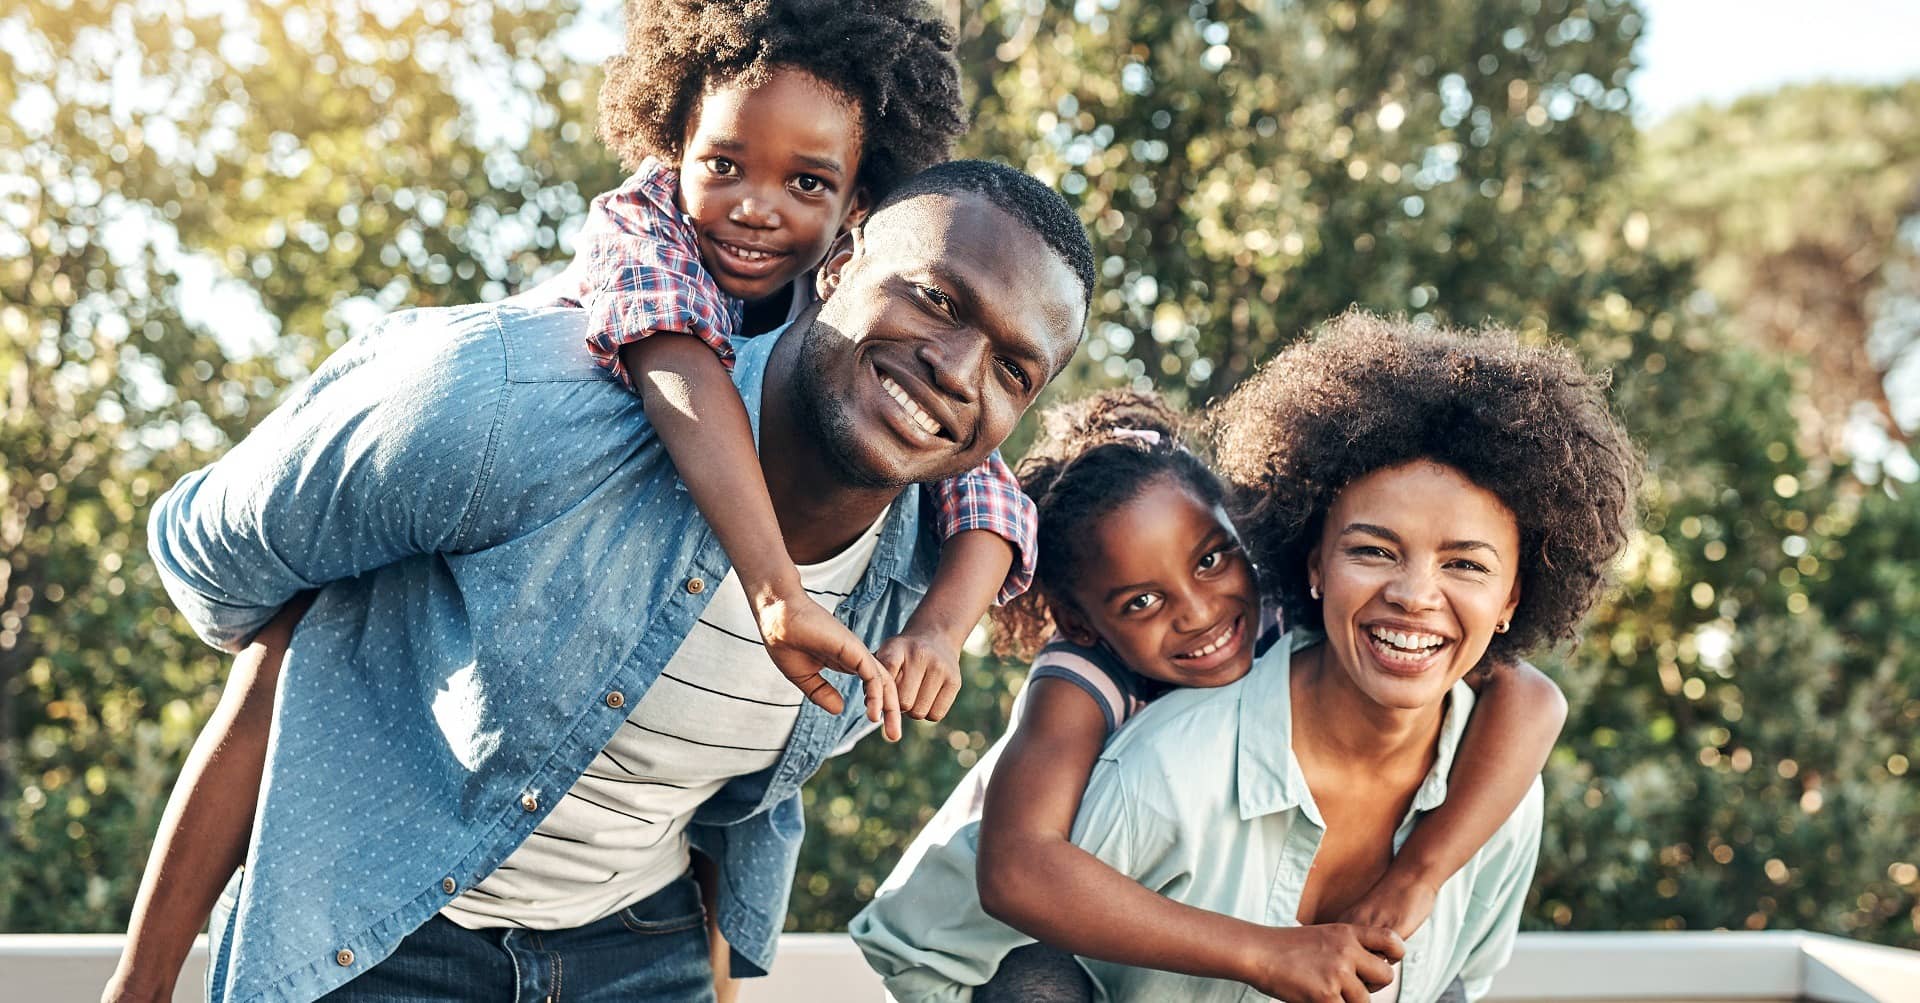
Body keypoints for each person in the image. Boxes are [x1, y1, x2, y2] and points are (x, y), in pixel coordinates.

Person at [111, 159, 1094, 1003]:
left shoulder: (922, 581)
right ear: (838, 260)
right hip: (384, 938)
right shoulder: (515, 408)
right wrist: (141, 986)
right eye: (935, 296)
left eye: (1015, 369)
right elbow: (250, 603)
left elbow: (718, 809)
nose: (961, 371)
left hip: (634, 951)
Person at [852, 310, 1641, 1002]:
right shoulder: (1093, 698)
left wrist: (1415, 878)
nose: (1199, 611)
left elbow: (1534, 697)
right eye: (1140, 601)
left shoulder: (1272, 602)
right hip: (990, 951)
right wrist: (1265, 953)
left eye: (1465, 563)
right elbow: (1017, 872)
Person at [564, 0, 1021, 723]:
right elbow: (678, 364)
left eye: (806, 183)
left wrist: (940, 630)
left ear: (855, 208)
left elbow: (988, 493)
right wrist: (779, 590)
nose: (755, 208)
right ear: (676, 150)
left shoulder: (851, 290)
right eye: (723, 164)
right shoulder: (639, 223)